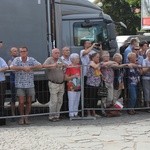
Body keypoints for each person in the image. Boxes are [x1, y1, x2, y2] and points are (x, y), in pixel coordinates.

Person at [10, 46, 42, 125]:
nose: (22, 53)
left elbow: (40, 65)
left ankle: (26, 117)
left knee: (29, 102)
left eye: (24, 51)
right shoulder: (16, 59)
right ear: (19, 52)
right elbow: (11, 67)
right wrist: (22, 68)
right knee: (21, 102)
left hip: (30, 84)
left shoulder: (31, 59)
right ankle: (22, 117)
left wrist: (30, 67)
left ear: (27, 52)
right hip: (20, 84)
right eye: (21, 51)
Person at [43, 48, 65, 121]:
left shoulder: (60, 60)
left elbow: (65, 65)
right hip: (53, 83)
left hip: (61, 83)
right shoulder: (49, 59)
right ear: (52, 53)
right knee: (54, 101)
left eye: (58, 53)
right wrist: (53, 65)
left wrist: (64, 65)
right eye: (55, 53)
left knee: (59, 101)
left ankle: (57, 115)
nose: (57, 54)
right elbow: (43, 66)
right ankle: (51, 116)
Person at [65, 53, 81, 118]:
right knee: (72, 100)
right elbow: (66, 78)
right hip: (71, 86)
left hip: (78, 85)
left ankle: (75, 113)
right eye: (77, 58)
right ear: (72, 60)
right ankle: (71, 114)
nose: (78, 59)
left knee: (77, 100)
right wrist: (73, 76)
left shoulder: (79, 66)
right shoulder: (69, 67)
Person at [86, 52, 101, 117]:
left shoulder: (97, 63)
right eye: (97, 57)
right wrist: (100, 63)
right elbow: (95, 67)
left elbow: (98, 71)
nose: (98, 58)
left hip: (97, 83)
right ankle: (89, 113)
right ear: (93, 58)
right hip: (91, 84)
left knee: (95, 99)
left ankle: (94, 112)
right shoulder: (91, 62)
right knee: (90, 99)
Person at [8, 47, 18, 120]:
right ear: (11, 53)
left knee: (22, 99)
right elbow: (13, 71)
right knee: (13, 99)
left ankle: (21, 115)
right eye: (14, 51)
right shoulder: (10, 61)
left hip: (21, 82)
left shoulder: (20, 60)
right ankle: (13, 115)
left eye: (16, 51)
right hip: (13, 82)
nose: (16, 52)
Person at [0, 57, 8, 125]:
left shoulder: (0, 59)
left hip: (1, 82)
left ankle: (1, 121)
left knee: (1, 101)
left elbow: (6, 67)